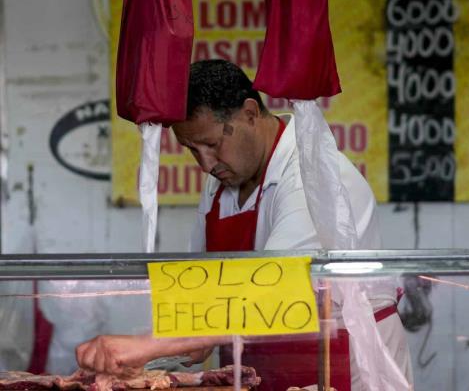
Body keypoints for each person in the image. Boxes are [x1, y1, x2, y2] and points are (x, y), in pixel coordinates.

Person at [76, 60, 411, 391]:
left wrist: (147, 344)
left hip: (341, 364)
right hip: (259, 367)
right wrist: (162, 352)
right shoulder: (223, 178)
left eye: (212, 144)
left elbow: (272, 287)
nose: (205, 164)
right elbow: (205, 287)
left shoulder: (313, 174)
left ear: (250, 114)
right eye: (192, 149)